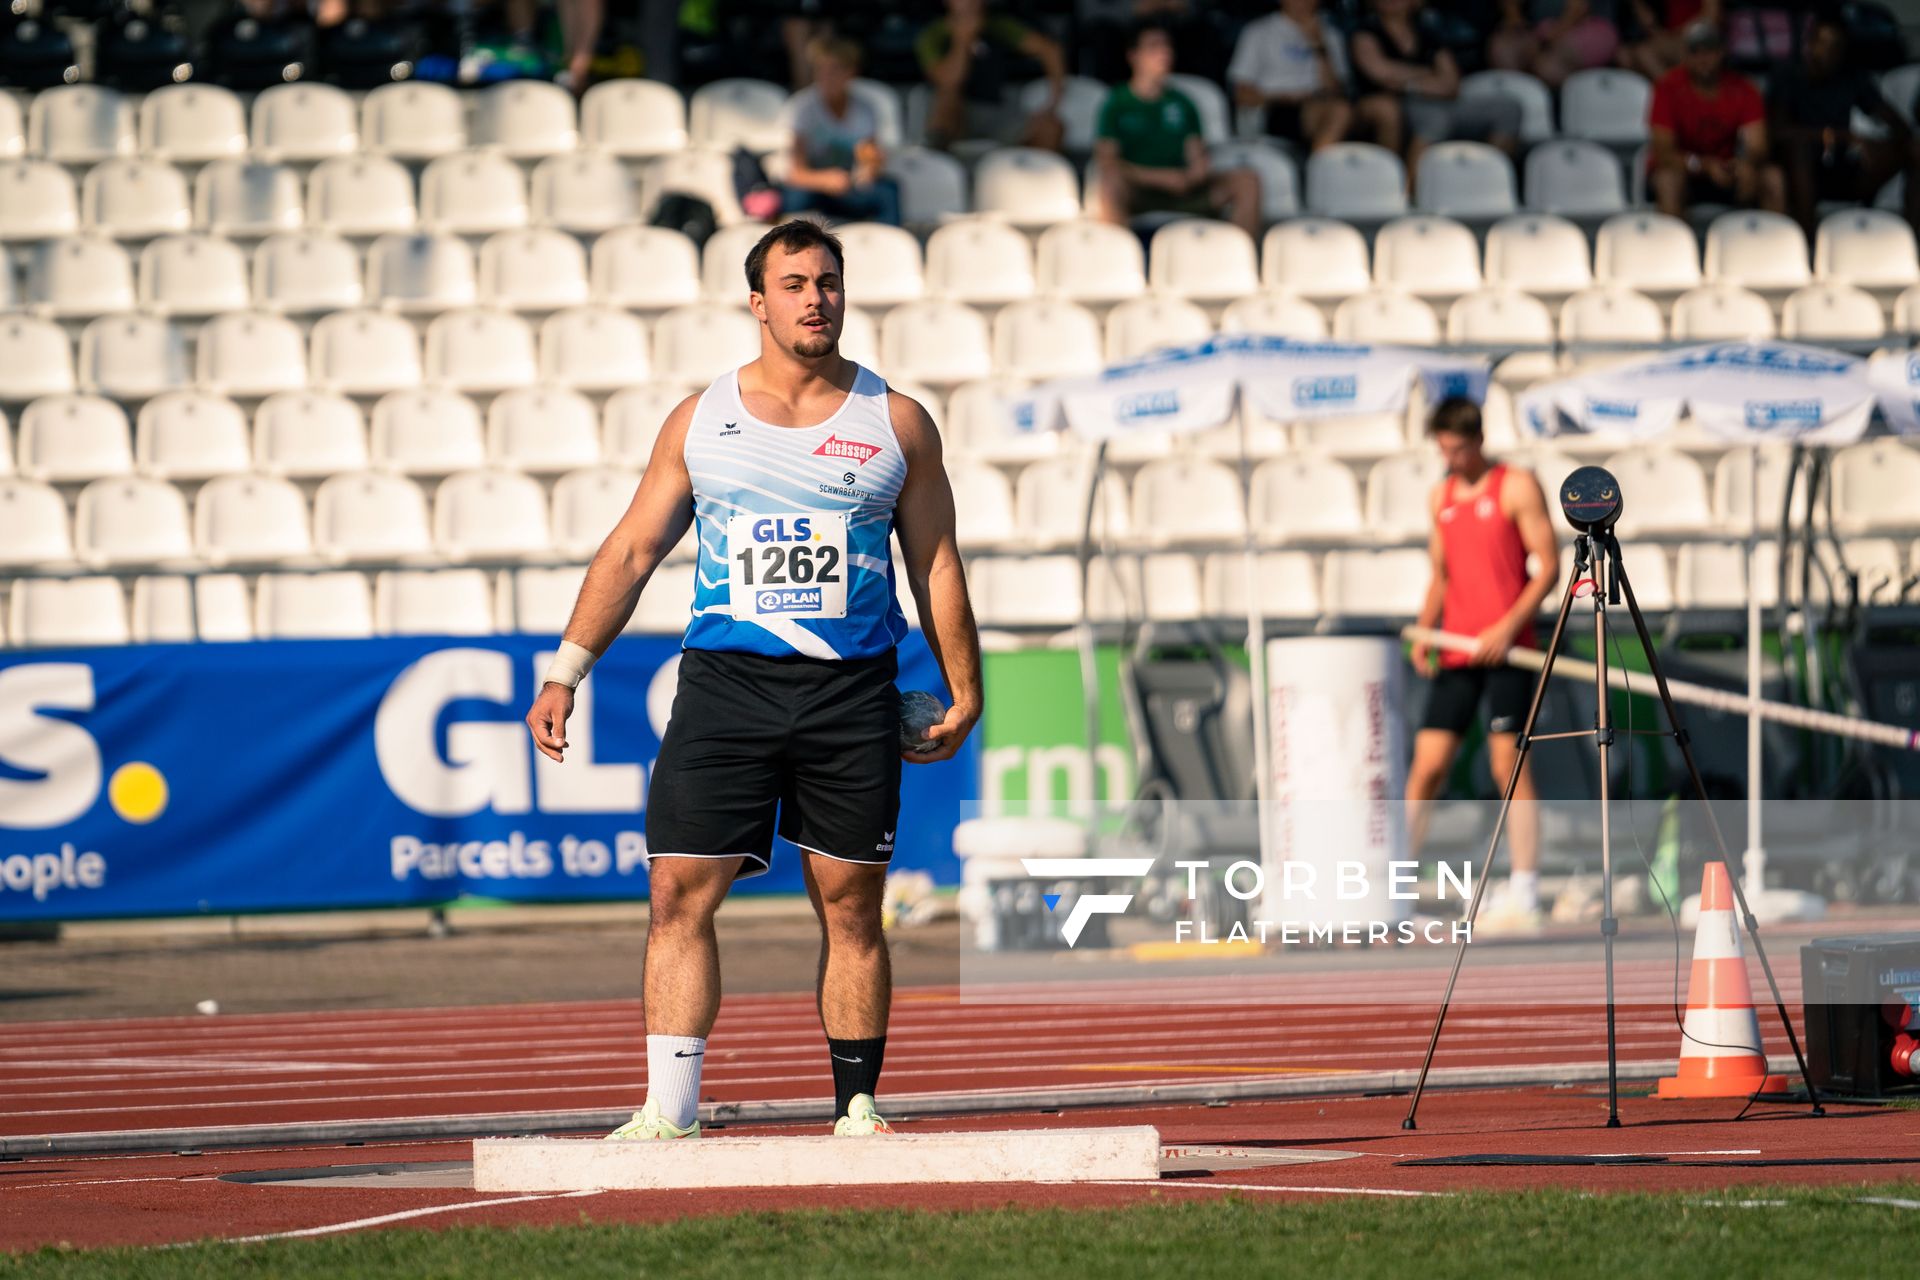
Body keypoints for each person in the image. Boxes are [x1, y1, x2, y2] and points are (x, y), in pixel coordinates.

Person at [524, 219, 982, 1139]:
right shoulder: (703, 420)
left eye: (829, 282)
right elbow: (633, 548)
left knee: (852, 906)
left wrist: (966, 690)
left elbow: (935, 563)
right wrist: (567, 670)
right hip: (726, 688)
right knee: (676, 894)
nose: (816, 299)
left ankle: (856, 1107)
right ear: (758, 301)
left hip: (850, 692)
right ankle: (669, 1112)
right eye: (796, 284)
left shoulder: (895, 422)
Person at [1406, 397, 1558, 932]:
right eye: (1442, 449)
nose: (1450, 459)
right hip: (1456, 650)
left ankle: (1526, 887)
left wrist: (1505, 628)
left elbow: (1548, 568)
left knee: (1507, 766)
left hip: (1509, 651)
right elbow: (1441, 576)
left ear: (1477, 440)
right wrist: (1425, 629)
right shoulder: (1440, 496)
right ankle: (1400, 885)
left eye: (1457, 449)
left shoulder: (1515, 486)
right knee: (1427, 766)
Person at [1095, 21, 1261, 237]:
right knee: (1110, 181)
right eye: (1154, 46)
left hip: (1183, 190)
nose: (1165, 52)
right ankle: (1117, 261)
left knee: (1247, 181)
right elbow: (1108, 161)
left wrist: (1195, 171)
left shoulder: (1183, 102)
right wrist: (1161, 178)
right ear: (1133, 55)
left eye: (1167, 46)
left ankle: (1237, 259)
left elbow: (1196, 153)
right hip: (1140, 191)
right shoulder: (1116, 102)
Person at [1766, 12, 1920, 233]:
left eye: (1834, 45)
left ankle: (1911, 239)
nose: (1825, 51)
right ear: (1808, 42)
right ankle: (1807, 239)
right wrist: (1838, 136)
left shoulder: (1851, 76)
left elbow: (1897, 123)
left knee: (1915, 148)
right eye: (1821, 41)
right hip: (1798, 171)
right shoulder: (1788, 75)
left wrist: (1877, 145)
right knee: (1799, 151)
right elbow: (1778, 132)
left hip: (1842, 166)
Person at [1350, 0, 1520, 173]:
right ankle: (1411, 191)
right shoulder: (1366, 31)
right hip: (1399, 101)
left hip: (1439, 99)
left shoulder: (1427, 32)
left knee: (1508, 109)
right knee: (1434, 119)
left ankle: (1486, 181)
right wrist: (1427, 76)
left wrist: (1408, 81)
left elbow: (1452, 81)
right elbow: (1381, 73)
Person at [1647, 22, 1783, 220]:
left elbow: (1757, 144)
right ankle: (1674, 249)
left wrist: (1747, 163)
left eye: (1709, 51)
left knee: (1772, 178)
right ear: (1685, 55)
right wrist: (1704, 166)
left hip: (1727, 170)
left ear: (1722, 52)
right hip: (1688, 170)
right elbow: (1663, 153)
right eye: (1695, 52)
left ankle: (1775, 248)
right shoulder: (1667, 88)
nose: (1703, 59)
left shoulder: (1743, 88)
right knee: (1668, 180)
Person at [781, 35, 902, 226]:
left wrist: (871, 167)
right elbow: (795, 173)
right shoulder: (803, 109)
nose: (827, 77)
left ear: (850, 73)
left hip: (848, 187)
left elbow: (868, 157)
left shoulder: (864, 110)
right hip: (813, 187)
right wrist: (825, 180)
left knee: (888, 191)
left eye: (835, 70)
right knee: (795, 198)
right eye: (821, 70)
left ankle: (889, 247)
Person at [917, 0, 1067, 152]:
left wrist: (1053, 102)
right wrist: (962, 40)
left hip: (995, 111)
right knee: (947, 97)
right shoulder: (932, 35)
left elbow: (1050, 51)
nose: (971, 3)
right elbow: (949, 81)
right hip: (952, 117)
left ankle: (1028, 173)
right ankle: (938, 168)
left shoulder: (998, 26)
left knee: (1050, 129)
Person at [1227, 0, 1354, 153]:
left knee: (1342, 110)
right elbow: (1241, 94)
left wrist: (1319, 46)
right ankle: (1318, 172)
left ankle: (1318, 167)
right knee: (1339, 111)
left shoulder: (1330, 35)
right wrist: (1286, 97)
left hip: (1318, 107)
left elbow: (1336, 90)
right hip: (1272, 108)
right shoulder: (1258, 31)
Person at [1488, 0, 1620, 88]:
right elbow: (1513, 13)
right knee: (1502, 48)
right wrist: (1515, 20)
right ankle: (1514, 102)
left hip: (1587, 31)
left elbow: (1578, 10)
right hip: (1543, 32)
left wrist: (1543, 44)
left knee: (1545, 67)